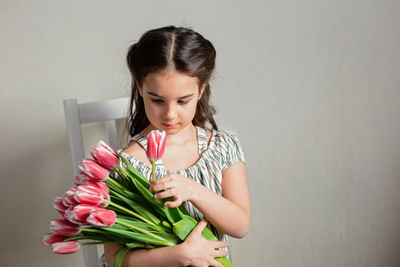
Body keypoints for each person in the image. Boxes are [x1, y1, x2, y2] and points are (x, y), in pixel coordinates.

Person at [102, 26, 251, 267]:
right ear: (140, 89)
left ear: (201, 90)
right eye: (157, 100)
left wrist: (192, 190)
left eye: (183, 100)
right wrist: (180, 256)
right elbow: (115, 259)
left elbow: (241, 225)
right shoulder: (124, 166)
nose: (170, 114)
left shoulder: (222, 147)